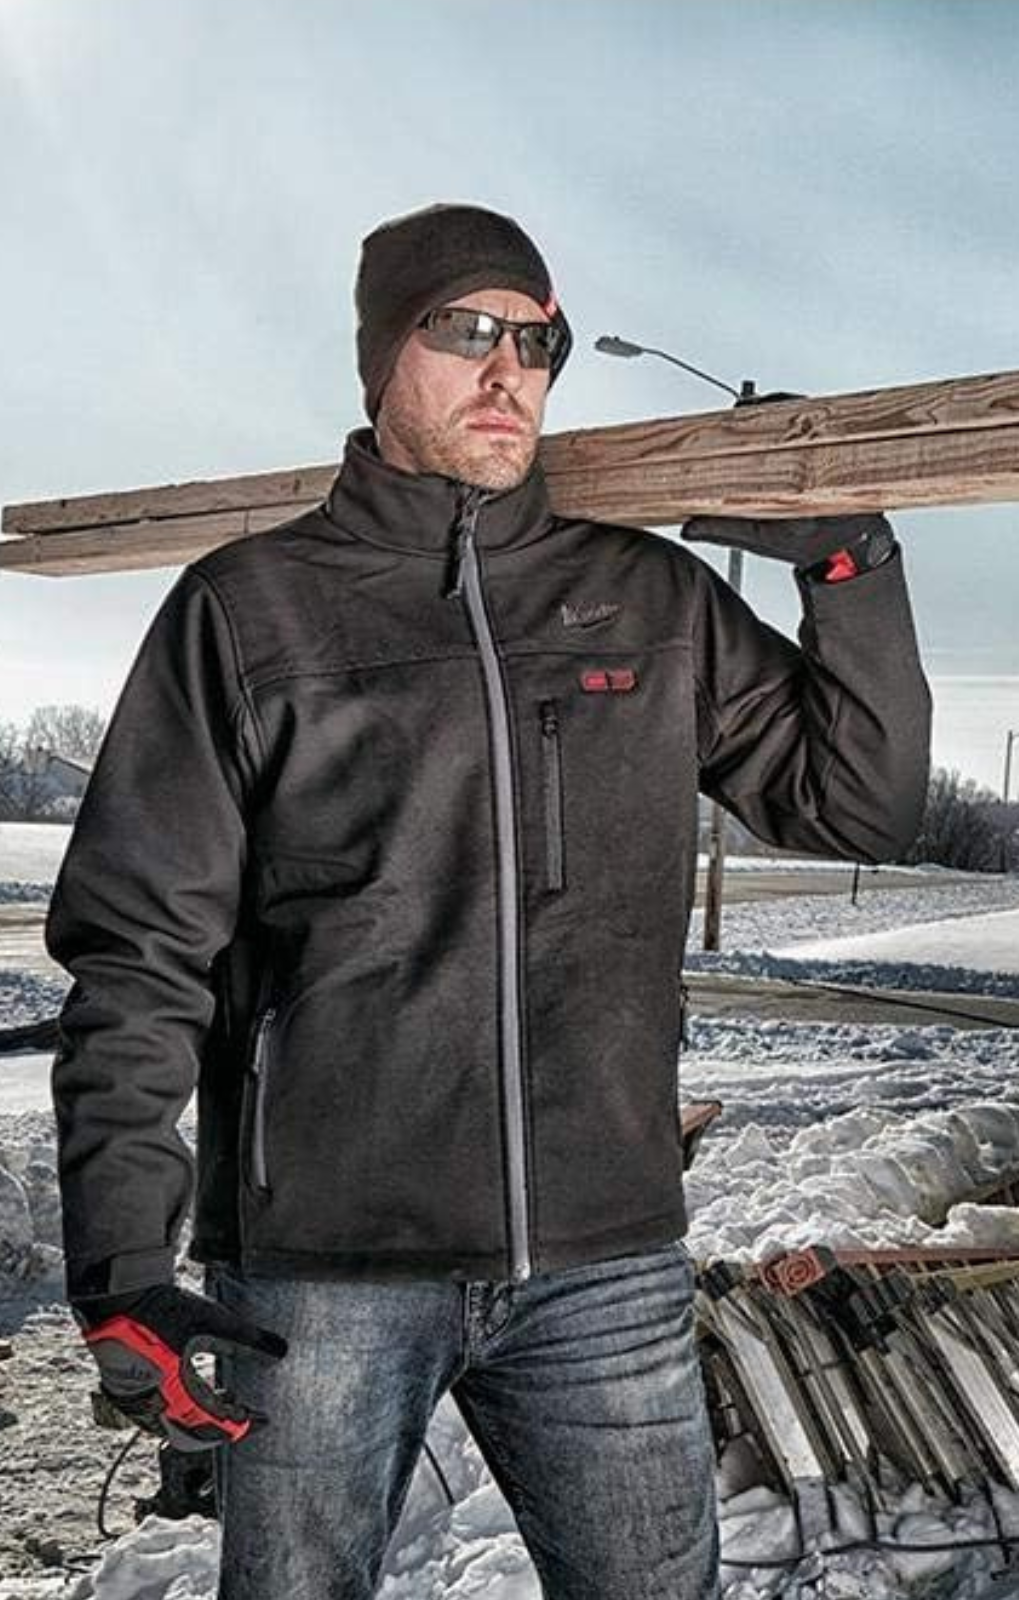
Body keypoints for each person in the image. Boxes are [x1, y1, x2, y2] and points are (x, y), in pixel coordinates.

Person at [47, 201, 931, 1598]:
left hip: (604, 1257)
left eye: (539, 339)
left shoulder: (646, 597)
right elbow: (138, 951)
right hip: (324, 1270)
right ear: (379, 360)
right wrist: (120, 1261)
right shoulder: (250, 611)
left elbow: (859, 803)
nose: (508, 366)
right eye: (464, 331)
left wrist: (852, 566)